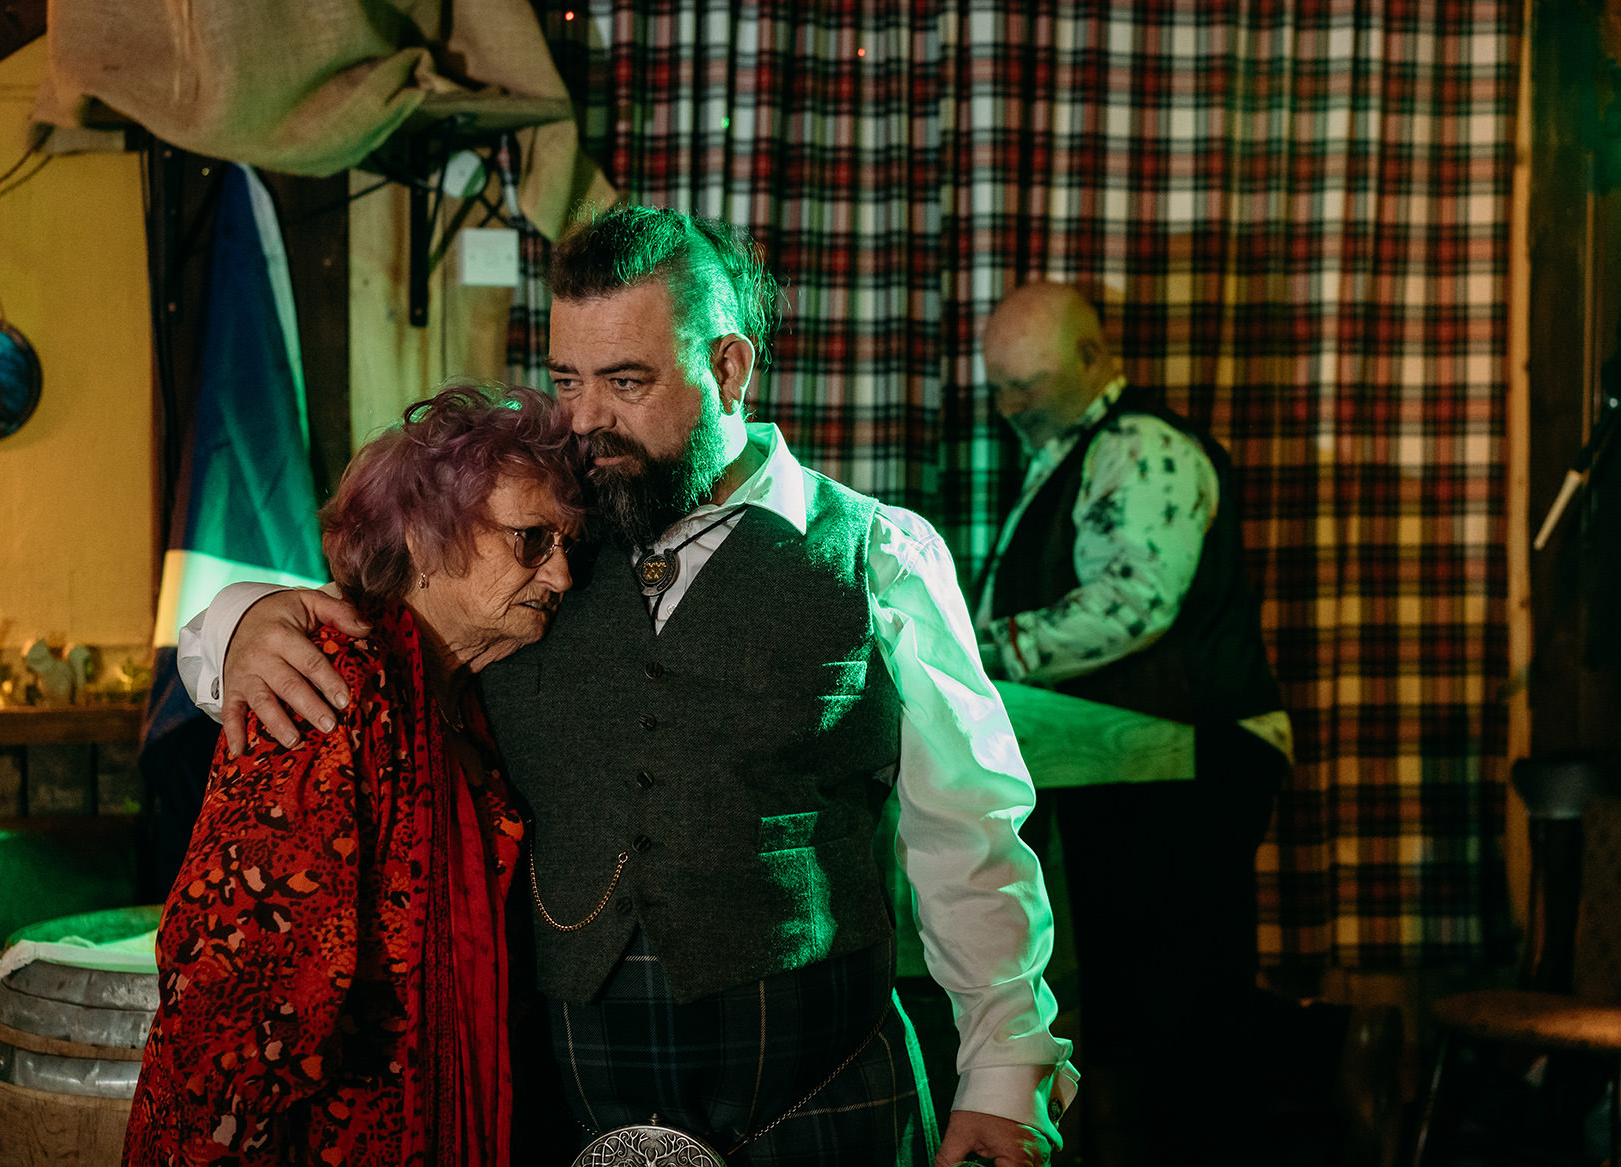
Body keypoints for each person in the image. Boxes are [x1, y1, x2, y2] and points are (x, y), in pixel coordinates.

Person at [180, 206, 1076, 1167]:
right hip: (562, 1105)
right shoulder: (530, 545)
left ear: (729, 368)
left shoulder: (878, 555)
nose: (586, 420)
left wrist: (1003, 1070)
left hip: (822, 1097)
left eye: (627, 382)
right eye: (567, 380)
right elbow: (364, 633)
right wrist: (232, 625)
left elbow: (968, 831)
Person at [125, 385, 586, 1167]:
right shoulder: (328, 682)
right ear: (423, 533)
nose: (563, 575)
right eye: (532, 539)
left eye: (569, 543)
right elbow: (237, 1013)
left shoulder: (460, 698)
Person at [976, 282, 1292, 1166]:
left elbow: (1131, 605)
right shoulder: (1075, 446)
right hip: (1136, 763)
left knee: (1185, 1020)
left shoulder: (1142, 444)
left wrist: (978, 647)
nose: (1009, 408)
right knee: (1144, 1017)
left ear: (1091, 359)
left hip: (1194, 762)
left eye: (1026, 387)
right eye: (998, 387)